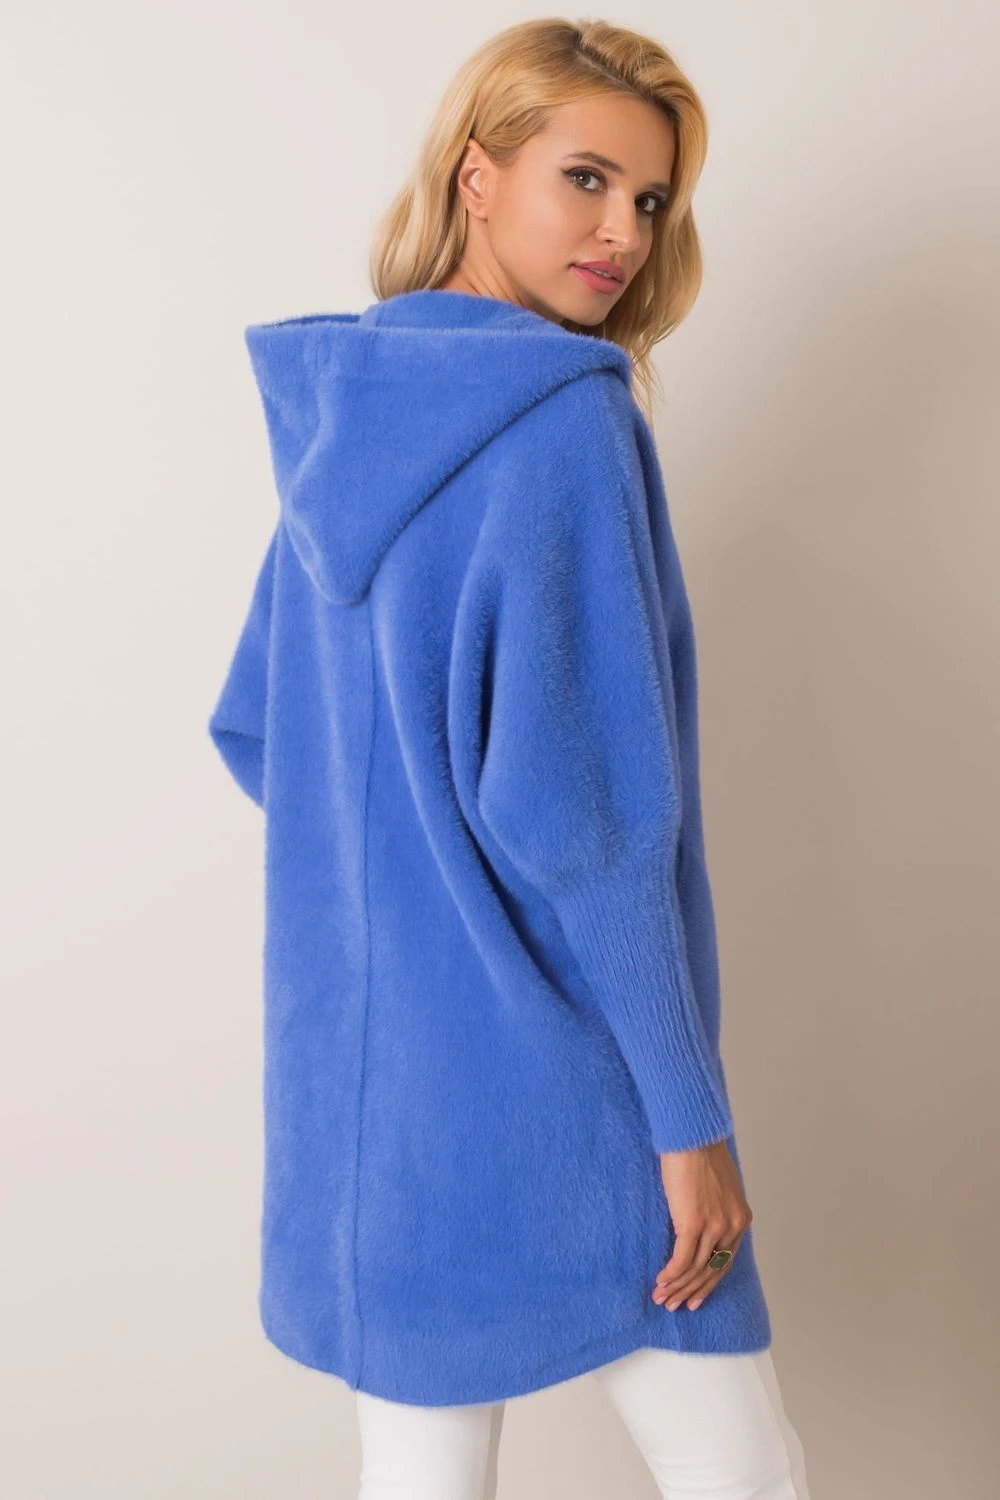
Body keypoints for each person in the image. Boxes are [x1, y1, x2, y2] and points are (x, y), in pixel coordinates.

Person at [208, 16, 812, 1499]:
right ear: (476, 177)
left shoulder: (341, 415)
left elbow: (264, 731)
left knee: (421, 1475)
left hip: (365, 1104)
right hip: (565, 1080)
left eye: (651, 200)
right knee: (744, 1472)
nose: (625, 235)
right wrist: (689, 1122)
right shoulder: (564, 425)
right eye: (585, 180)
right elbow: (591, 831)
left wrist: (410, 892)